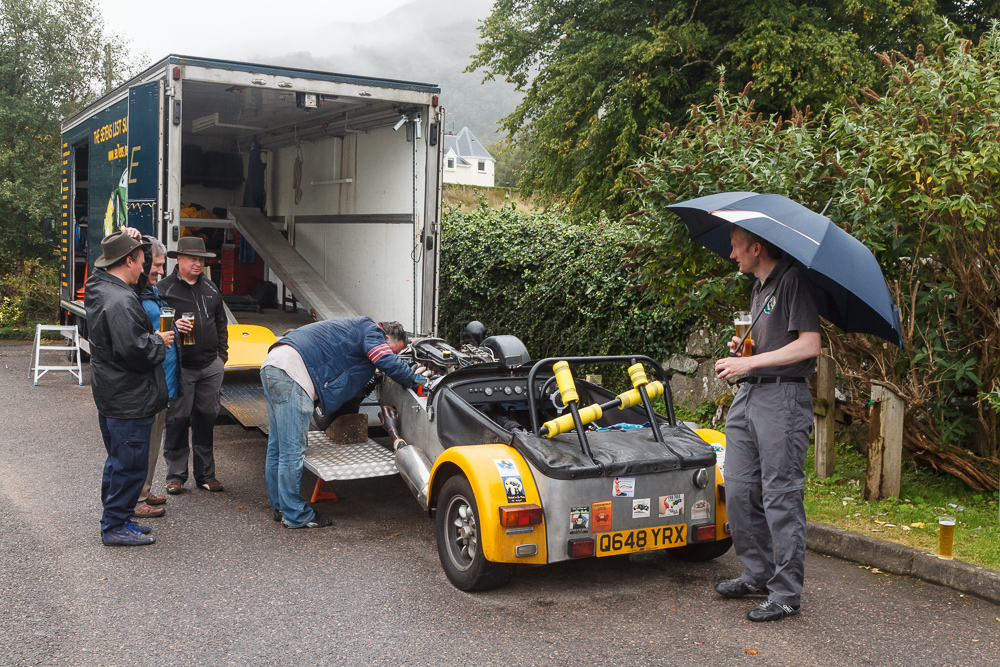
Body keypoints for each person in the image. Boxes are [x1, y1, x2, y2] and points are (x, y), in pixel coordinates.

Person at [713, 224, 821, 622]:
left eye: (736, 247)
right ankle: (757, 574)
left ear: (757, 248)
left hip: (784, 397)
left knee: (780, 496)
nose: (731, 255)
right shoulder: (759, 288)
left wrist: (750, 361)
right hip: (750, 394)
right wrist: (744, 349)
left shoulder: (794, 280)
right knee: (739, 490)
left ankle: (786, 593)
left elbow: (810, 345)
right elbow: (772, 344)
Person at [260, 318, 423, 528]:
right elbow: (383, 359)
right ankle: (295, 515)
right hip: (292, 373)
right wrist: (412, 379)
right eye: (393, 350)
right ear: (386, 337)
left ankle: (281, 506)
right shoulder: (371, 330)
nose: (393, 355)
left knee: (277, 447)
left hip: (273, 365)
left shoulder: (354, 330)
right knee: (291, 451)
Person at [85, 231, 171, 546]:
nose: (145, 269)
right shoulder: (120, 300)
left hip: (112, 393)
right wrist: (158, 341)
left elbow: (99, 267)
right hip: (129, 397)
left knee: (118, 460)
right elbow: (134, 351)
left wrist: (122, 236)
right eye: (141, 260)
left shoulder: (99, 285)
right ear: (129, 261)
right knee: (130, 464)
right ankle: (115, 526)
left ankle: (117, 519)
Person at [158, 237, 228, 494]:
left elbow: (221, 323)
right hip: (181, 366)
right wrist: (173, 327)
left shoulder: (210, 288)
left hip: (210, 365)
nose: (198, 263)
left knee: (207, 419)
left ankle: (206, 475)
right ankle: (175, 477)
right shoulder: (164, 289)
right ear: (179, 259)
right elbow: (157, 328)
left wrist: (222, 357)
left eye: (201, 259)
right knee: (177, 420)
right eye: (193, 259)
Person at [133, 234, 185, 518]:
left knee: (154, 441)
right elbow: (136, 338)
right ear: (142, 262)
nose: (161, 271)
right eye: (157, 265)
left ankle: (145, 488)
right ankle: (137, 498)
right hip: (149, 384)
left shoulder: (151, 292)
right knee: (144, 442)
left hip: (163, 381)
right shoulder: (134, 295)